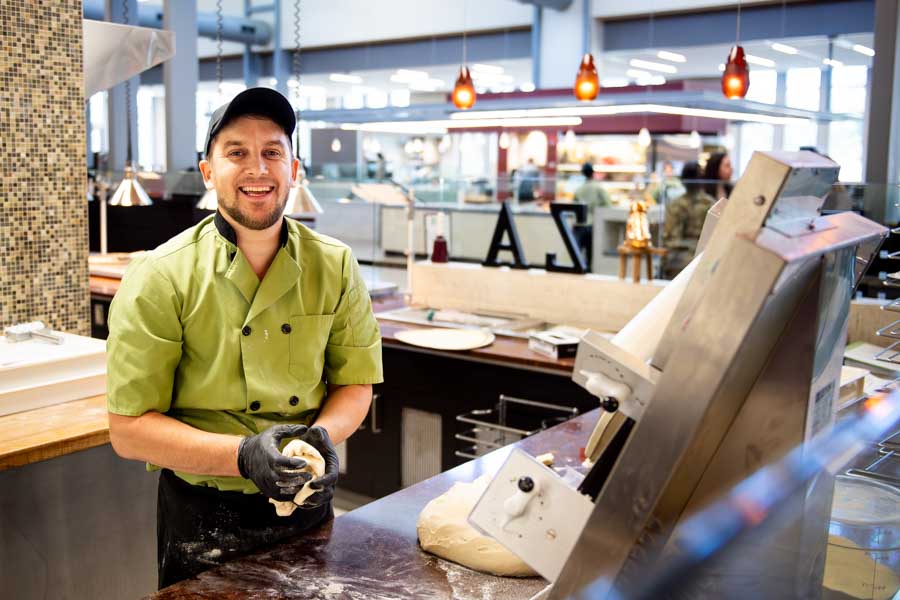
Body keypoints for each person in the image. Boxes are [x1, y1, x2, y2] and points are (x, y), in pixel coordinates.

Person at [105, 87, 383, 589]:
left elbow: (355, 385)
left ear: (293, 170)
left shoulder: (335, 264)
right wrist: (242, 455)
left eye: (272, 152)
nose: (258, 169)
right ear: (209, 172)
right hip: (203, 519)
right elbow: (128, 430)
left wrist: (322, 437)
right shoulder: (160, 275)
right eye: (237, 153)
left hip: (308, 511)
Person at [663, 161, 715, 278]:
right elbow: (672, 240)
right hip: (686, 257)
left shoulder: (709, 203)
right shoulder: (677, 205)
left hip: (698, 256)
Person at [572, 162, 611, 268]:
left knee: (577, 252)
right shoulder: (598, 188)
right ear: (593, 173)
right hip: (592, 224)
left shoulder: (579, 189)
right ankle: (588, 272)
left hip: (579, 224)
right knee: (591, 252)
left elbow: (574, 206)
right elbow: (608, 204)